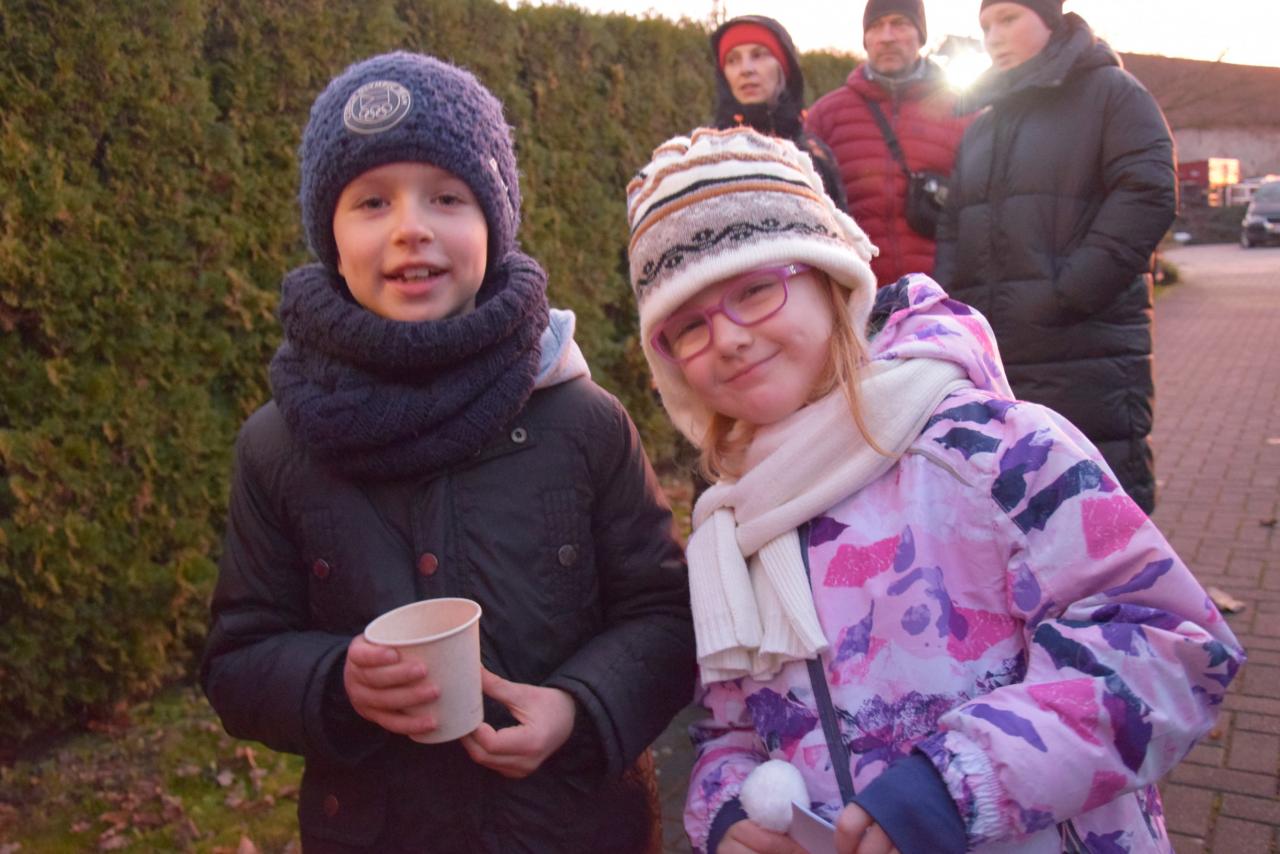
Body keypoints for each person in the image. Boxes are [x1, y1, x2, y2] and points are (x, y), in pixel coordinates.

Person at [625, 127, 1242, 854]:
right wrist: (727, 812)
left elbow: (1167, 642)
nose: (727, 338)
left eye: (756, 289)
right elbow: (729, 726)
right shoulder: (731, 530)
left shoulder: (990, 449)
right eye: (687, 327)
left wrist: (958, 782)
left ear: (832, 281)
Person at [200, 51, 696, 853]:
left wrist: (579, 707)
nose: (411, 227)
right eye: (371, 201)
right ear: (330, 236)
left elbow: (664, 618)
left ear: (494, 224)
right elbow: (237, 660)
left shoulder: (583, 422)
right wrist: (335, 682)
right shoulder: (279, 446)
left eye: (447, 197)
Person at [934, 0, 1177, 514]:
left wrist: (1071, 292)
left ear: (1050, 20)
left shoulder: (1112, 94)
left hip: (1085, 349)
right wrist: (956, 315)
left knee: (1100, 514)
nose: (994, 36)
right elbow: (954, 225)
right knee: (1016, 519)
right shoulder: (983, 125)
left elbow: (1148, 191)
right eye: (985, 25)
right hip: (999, 363)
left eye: (1008, 19)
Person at [806, 0, 970, 287]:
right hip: (858, 296)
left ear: (920, 35)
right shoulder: (825, 116)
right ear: (865, 38)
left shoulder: (964, 112)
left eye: (900, 24)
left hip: (945, 296)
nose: (887, 36)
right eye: (876, 26)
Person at [711, 15, 848, 211]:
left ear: (783, 67)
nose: (745, 70)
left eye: (758, 55)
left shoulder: (815, 155)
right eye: (732, 60)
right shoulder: (704, 153)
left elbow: (839, 226)